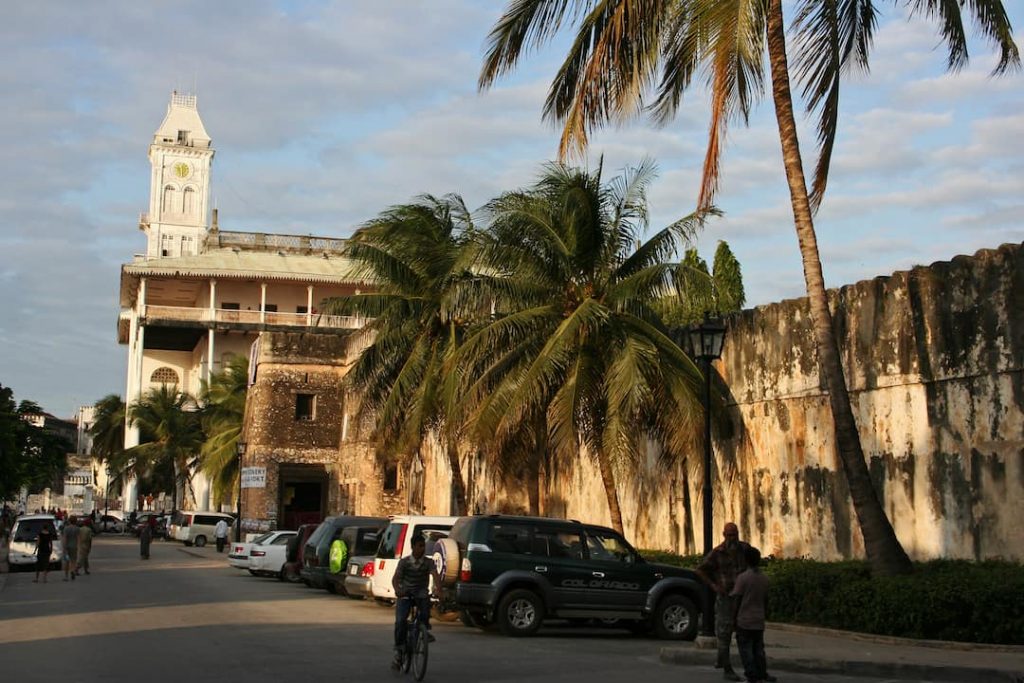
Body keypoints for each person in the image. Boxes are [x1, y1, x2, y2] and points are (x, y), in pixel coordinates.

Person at [696, 522, 751, 682]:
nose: (732, 538)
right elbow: (700, 569)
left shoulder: (744, 549)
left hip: (742, 598)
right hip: (726, 597)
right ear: (724, 535)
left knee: (743, 632)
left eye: (734, 534)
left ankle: (726, 660)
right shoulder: (717, 553)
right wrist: (714, 585)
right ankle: (727, 668)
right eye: (729, 535)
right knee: (724, 633)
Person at [390, 534, 441, 670]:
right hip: (406, 594)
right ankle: (399, 650)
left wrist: (439, 591)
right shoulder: (404, 562)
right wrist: (398, 590)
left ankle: (424, 630)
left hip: (421, 594)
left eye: (423, 546)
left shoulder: (428, 562)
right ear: (412, 547)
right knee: (400, 621)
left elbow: (435, 576)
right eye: (419, 546)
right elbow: (395, 579)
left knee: (425, 611)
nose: (422, 549)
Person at [730, 546, 774, 683]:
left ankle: (752, 676)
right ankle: (762, 673)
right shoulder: (764, 579)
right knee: (758, 650)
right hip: (758, 620)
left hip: (744, 620)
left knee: (746, 650)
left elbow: (737, 599)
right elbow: (766, 600)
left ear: (745, 560)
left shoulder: (742, 578)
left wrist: (733, 619)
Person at [60, 516, 80, 581]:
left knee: (67, 561)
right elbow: (78, 538)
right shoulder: (77, 529)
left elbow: (65, 538)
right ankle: (72, 571)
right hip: (74, 547)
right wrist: (78, 546)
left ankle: (66, 576)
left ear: (69, 521)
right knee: (73, 560)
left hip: (67, 547)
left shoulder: (66, 528)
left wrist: (64, 547)